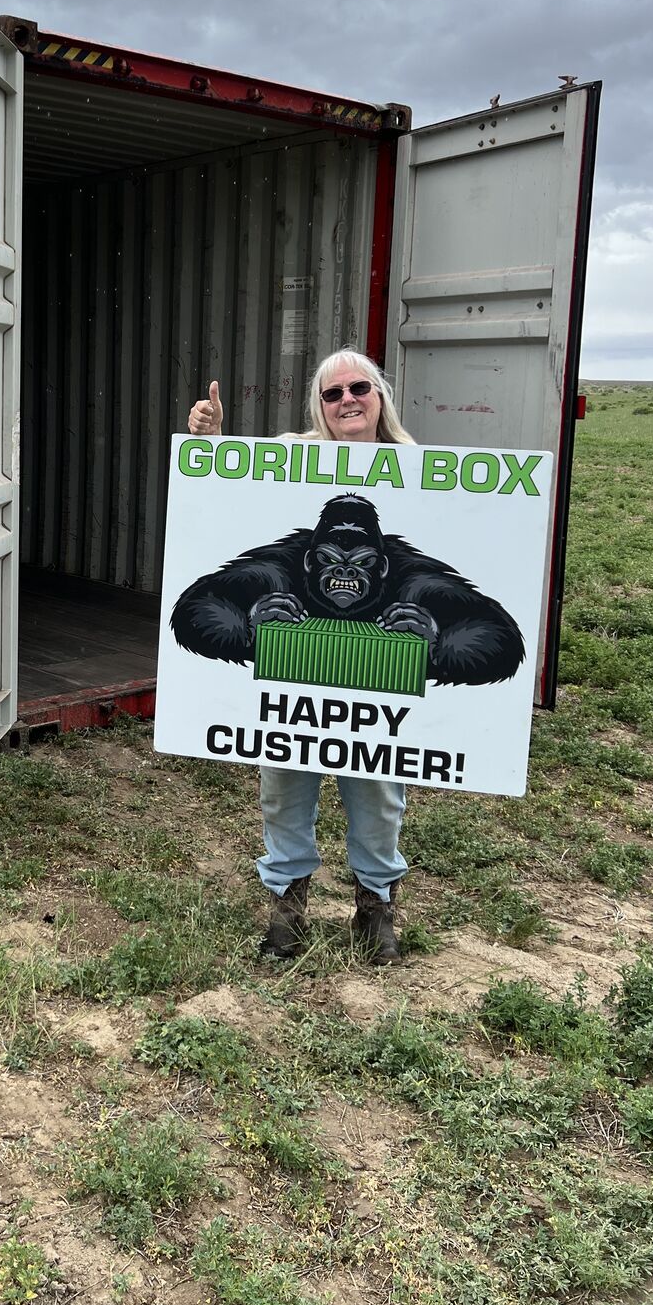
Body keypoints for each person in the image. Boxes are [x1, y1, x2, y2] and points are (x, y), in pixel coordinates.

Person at [186, 348, 415, 965]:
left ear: (380, 398)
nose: (348, 401)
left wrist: (432, 633)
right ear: (319, 405)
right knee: (284, 783)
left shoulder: (421, 477)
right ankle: (287, 904)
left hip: (379, 675)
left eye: (359, 389)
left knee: (379, 790)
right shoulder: (293, 463)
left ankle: (375, 906)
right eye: (333, 393)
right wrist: (213, 442)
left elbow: (494, 637)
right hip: (293, 667)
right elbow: (225, 518)